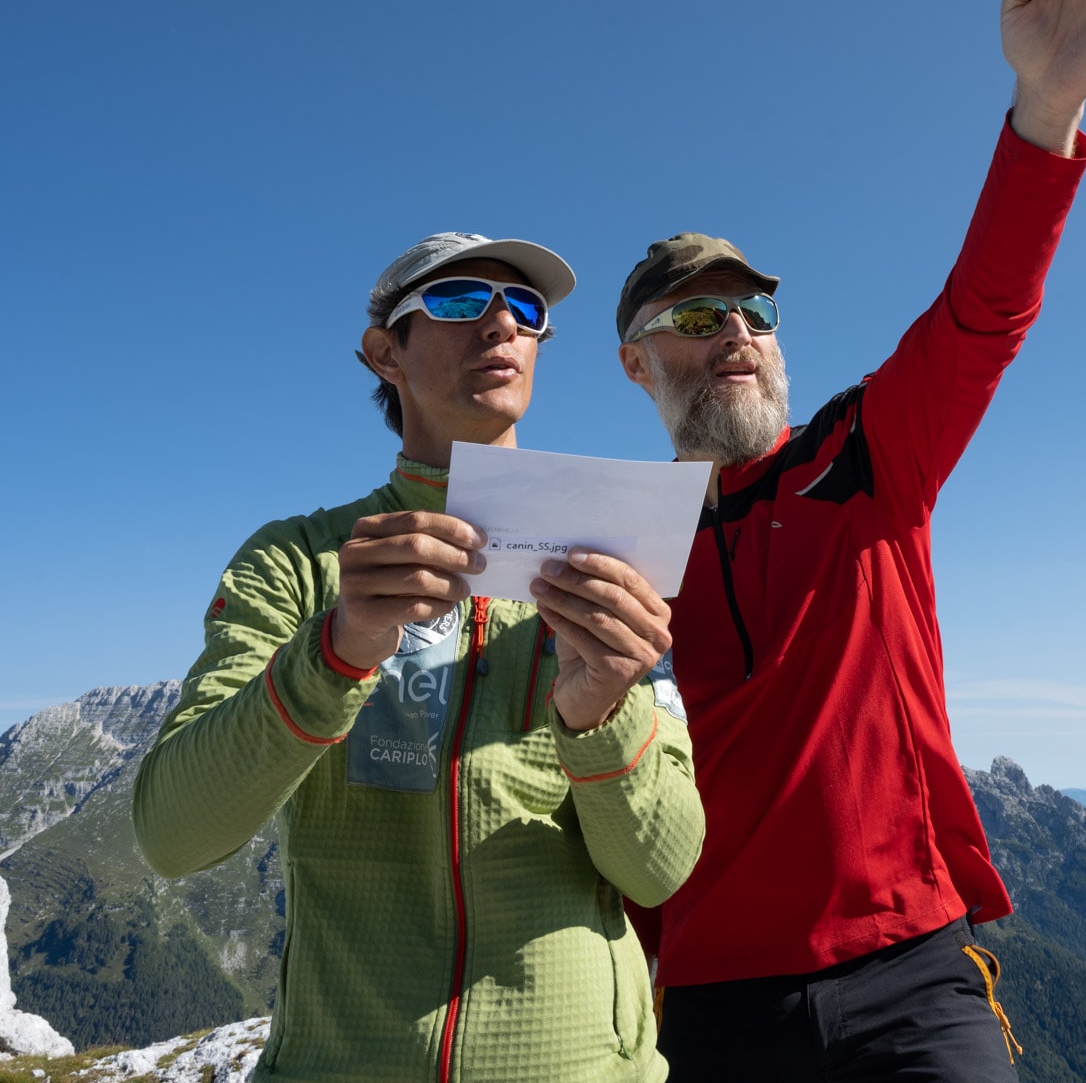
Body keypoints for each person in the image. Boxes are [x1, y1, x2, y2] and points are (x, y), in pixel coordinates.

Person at [611, 0, 1086, 1081]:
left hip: (912, 974)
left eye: (755, 307)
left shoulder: (865, 451)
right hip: (706, 999)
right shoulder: (618, 542)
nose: (738, 332)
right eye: (700, 312)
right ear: (634, 359)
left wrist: (1045, 109)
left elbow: (983, 313)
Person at [134, 233, 705, 1083]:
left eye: (526, 309)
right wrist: (335, 653)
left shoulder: (610, 558)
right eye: (458, 300)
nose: (501, 323)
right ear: (384, 353)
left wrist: (602, 713)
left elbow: (659, 870)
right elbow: (174, 835)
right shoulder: (297, 562)